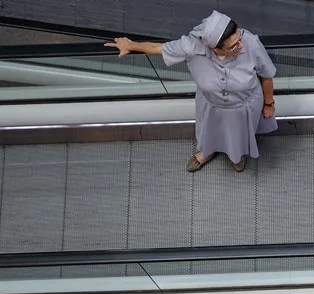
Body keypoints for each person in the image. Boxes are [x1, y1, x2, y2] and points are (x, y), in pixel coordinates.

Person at [105, 11, 277, 173]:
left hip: (244, 105)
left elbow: (266, 76)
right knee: (209, 129)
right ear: (215, 49)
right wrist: (130, 45)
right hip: (211, 105)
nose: (241, 45)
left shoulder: (251, 43)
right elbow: (158, 48)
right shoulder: (191, 47)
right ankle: (206, 152)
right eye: (233, 46)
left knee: (238, 132)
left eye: (239, 38)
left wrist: (269, 104)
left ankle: (236, 155)